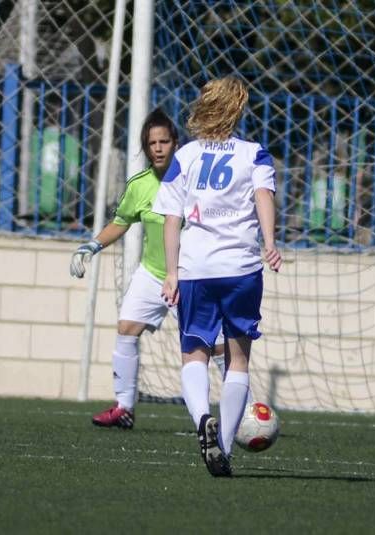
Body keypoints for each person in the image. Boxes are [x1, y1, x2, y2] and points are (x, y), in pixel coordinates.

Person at [153, 77, 282, 477]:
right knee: (238, 357)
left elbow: (171, 220)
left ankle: (200, 423)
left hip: (196, 269)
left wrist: (172, 273)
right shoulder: (254, 153)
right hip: (241, 268)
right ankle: (223, 447)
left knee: (194, 352)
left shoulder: (185, 156)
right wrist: (270, 242)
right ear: (237, 109)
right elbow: (264, 196)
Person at [70, 108, 228, 429]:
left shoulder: (196, 181)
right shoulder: (140, 185)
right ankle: (124, 407)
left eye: (164, 141)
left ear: (176, 144)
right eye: (152, 142)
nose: (158, 148)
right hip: (153, 273)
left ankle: (245, 407)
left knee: (220, 346)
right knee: (126, 328)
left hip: (192, 278)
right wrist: (91, 246)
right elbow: (121, 222)